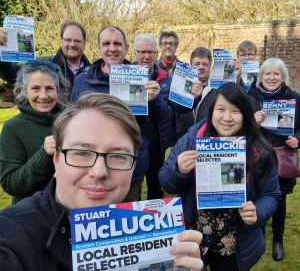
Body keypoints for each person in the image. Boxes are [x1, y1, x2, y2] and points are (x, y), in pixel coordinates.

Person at [0, 93, 205, 271]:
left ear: (133, 166)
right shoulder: (12, 235)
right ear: (56, 160)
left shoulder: (160, 241)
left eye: (117, 156)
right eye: (81, 153)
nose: (99, 172)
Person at [159, 82, 281, 271]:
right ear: (211, 111)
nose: (227, 118)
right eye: (221, 109)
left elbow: (272, 195)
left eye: (235, 111)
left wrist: (257, 211)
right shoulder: (192, 139)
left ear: (246, 114)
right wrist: (178, 170)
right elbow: (165, 182)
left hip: (233, 240)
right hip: (193, 232)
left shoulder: (261, 152)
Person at [248, 58, 300, 262]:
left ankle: (278, 240)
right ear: (261, 76)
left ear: (283, 77)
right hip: (255, 158)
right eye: (267, 73)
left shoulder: (293, 97)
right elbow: (235, 128)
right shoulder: (249, 98)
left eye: (276, 74)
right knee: (255, 198)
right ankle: (259, 235)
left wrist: (299, 139)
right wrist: (252, 122)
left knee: (279, 201)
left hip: (282, 160)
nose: (272, 77)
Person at [133, 34, 203, 200]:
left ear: (157, 54)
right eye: (142, 52)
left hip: (157, 145)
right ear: (135, 53)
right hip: (132, 145)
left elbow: (179, 106)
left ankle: (154, 222)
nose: (146, 56)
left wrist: (194, 97)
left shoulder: (166, 79)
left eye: (150, 52)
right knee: (132, 188)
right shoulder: (124, 76)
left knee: (156, 188)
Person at [0, 60, 67, 204]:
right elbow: (10, 184)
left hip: (67, 213)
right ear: (24, 91)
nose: (43, 96)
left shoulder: (69, 122)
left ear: (58, 91)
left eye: (49, 88)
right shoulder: (13, 128)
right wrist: (44, 154)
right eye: (35, 88)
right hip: (31, 217)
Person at [169, 47, 243, 150]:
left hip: (210, 144)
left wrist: (238, 78)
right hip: (183, 141)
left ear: (210, 66)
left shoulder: (220, 88)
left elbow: (239, 100)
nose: (201, 67)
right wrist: (172, 142)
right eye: (197, 64)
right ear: (191, 66)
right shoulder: (180, 85)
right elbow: (171, 114)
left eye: (205, 64)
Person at [0, 19, 90, 92]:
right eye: (68, 40)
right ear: (61, 42)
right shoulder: (42, 64)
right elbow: (12, 74)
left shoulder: (95, 72)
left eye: (77, 41)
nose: (72, 44)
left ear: (84, 44)